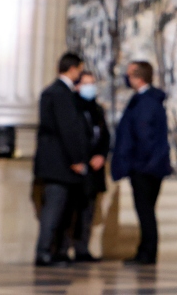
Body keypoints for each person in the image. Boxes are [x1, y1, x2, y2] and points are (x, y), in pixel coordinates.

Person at [32, 52, 91, 267]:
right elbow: (67, 128)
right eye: (80, 69)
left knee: (61, 211)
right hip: (59, 163)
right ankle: (45, 252)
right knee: (53, 210)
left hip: (59, 163)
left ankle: (56, 251)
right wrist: (76, 159)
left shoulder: (57, 91)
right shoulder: (60, 93)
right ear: (73, 69)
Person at [111, 61, 172, 266]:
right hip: (151, 165)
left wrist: (137, 162)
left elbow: (143, 134)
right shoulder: (149, 100)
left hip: (145, 166)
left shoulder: (145, 102)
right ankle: (144, 251)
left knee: (145, 211)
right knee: (146, 211)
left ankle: (147, 254)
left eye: (129, 75)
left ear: (139, 77)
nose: (126, 79)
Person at [68, 70, 110, 262]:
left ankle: (82, 248)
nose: (90, 87)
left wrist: (101, 154)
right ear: (77, 86)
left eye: (92, 83)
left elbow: (104, 135)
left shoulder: (97, 110)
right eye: (86, 83)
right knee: (70, 210)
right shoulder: (71, 107)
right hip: (76, 166)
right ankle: (63, 248)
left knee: (88, 210)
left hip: (94, 168)